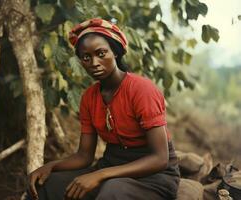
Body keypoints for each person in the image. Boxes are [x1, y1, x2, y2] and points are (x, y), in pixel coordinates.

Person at [26, 18, 180, 200]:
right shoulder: (89, 98)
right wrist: (51, 166)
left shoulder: (141, 89)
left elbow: (160, 159)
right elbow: (84, 155)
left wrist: (100, 175)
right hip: (111, 166)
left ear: (115, 52)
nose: (94, 62)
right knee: (47, 185)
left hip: (153, 177)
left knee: (113, 191)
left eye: (101, 53)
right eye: (86, 57)